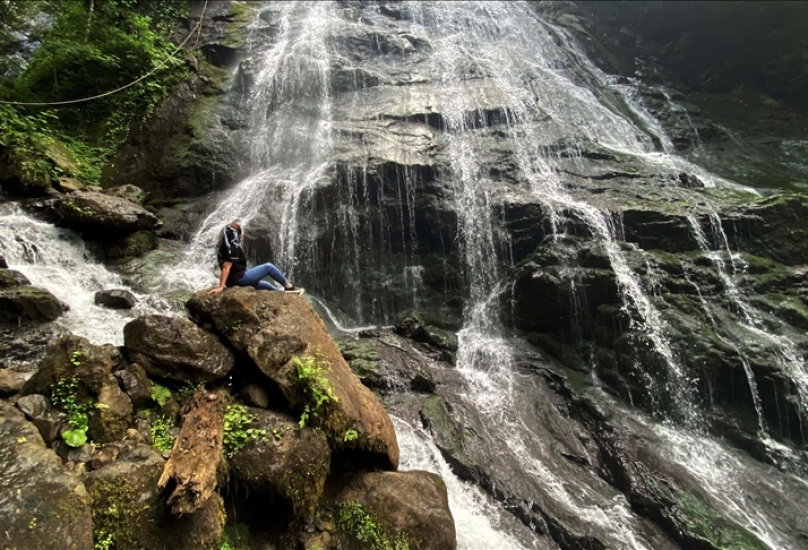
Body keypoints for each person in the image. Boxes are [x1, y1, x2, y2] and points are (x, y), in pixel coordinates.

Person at [207, 222, 304, 295]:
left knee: (265, 284)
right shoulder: (233, 248)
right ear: (239, 235)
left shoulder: (224, 246)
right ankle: (289, 287)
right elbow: (226, 267)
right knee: (268, 267)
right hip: (239, 279)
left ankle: (283, 294)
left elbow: (230, 267)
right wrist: (221, 286)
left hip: (233, 280)